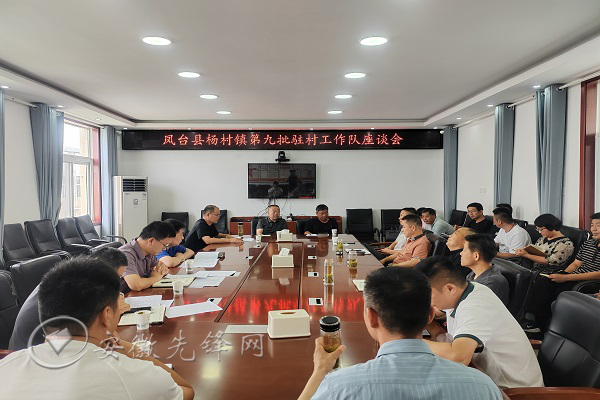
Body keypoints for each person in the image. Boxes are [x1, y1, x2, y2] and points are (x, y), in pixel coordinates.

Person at [0, 257, 194, 400]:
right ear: (106, 314)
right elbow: (185, 391)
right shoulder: (129, 375)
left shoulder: (7, 367)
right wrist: (124, 346)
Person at [298, 267, 503, 400]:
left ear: (371, 317)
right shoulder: (483, 387)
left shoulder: (338, 388)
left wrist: (320, 371)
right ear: (430, 315)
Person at [417, 256, 544, 388]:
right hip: (482, 376)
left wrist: (410, 341)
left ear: (450, 288)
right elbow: (433, 314)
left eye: (428, 296)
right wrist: (427, 325)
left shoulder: (475, 306)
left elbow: (459, 356)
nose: (427, 302)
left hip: (512, 390)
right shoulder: (466, 290)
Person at [9, 247, 131, 351]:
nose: (118, 282)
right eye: (117, 277)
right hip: (34, 351)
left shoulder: (75, 281)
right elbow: (62, 338)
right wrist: (108, 320)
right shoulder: (68, 291)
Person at [521, 212, 600, 333]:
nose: (594, 229)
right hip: (574, 276)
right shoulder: (588, 243)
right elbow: (575, 264)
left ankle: (549, 329)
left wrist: (567, 278)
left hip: (590, 282)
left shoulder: (565, 243)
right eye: (592, 225)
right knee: (544, 281)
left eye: (598, 225)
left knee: (559, 292)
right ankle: (531, 321)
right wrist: (563, 274)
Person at [120, 221, 177, 292]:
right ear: (151, 241)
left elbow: (163, 268)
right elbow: (136, 285)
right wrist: (156, 277)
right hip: (123, 297)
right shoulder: (125, 254)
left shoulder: (149, 252)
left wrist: (161, 270)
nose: (164, 249)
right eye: (165, 245)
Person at [461, 234, 509, 304]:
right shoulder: (472, 275)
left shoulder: (493, 283)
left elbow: (476, 307)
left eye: (464, 250)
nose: (461, 253)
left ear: (476, 256)